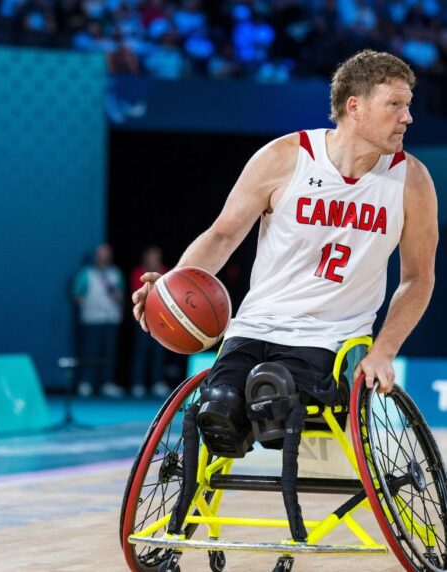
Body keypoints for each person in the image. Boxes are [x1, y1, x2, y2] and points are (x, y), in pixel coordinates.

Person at [132, 50, 437, 420]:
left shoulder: (412, 180)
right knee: (217, 413)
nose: (408, 117)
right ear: (355, 107)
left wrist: (384, 351)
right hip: (254, 326)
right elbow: (222, 236)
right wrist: (171, 290)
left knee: (276, 408)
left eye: (407, 105)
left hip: (331, 339)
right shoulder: (284, 157)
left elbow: (418, 278)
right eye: (395, 104)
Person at [73, 243, 125, 398]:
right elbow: (76, 294)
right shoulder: (86, 274)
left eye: (107, 255)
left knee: (108, 353)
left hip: (110, 318)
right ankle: (87, 383)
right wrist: (90, 304)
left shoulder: (115, 273)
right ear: (96, 256)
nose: (104, 258)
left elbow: (121, 294)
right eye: (101, 255)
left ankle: (106, 383)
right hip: (92, 319)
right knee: (90, 352)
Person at [130, 247, 170, 398]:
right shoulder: (139, 273)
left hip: (162, 320)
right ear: (145, 258)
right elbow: (137, 294)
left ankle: (157, 382)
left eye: (157, 257)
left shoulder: (166, 272)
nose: (154, 260)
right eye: (151, 257)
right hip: (143, 318)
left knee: (159, 352)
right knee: (141, 352)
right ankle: (138, 384)